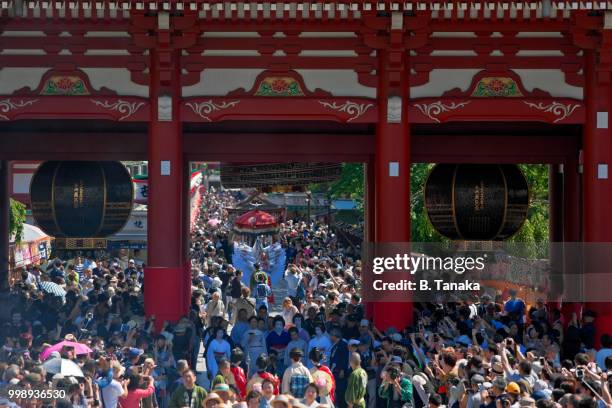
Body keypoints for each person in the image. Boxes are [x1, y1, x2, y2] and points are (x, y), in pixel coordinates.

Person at [329, 328, 349, 408]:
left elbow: (345, 358)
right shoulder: (335, 346)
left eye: (331, 336)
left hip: (340, 372)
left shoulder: (343, 344)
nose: (330, 337)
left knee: (341, 392)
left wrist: (342, 370)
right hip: (334, 372)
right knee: (336, 391)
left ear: (335, 336)